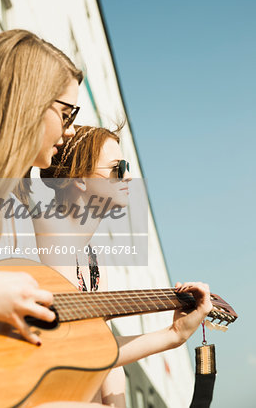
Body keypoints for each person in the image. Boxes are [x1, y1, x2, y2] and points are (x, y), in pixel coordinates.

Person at [35, 125, 213, 406]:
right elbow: (80, 348)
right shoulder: (50, 229)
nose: (128, 176)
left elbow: (102, 345)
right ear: (80, 180)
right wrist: (173, 335)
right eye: (117, 169)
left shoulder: (92, 260)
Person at [0, 29, 82, 345]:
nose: (68, 132)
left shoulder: (18, 205)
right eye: (66, 114)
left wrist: (172, 335)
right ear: (30, 103)